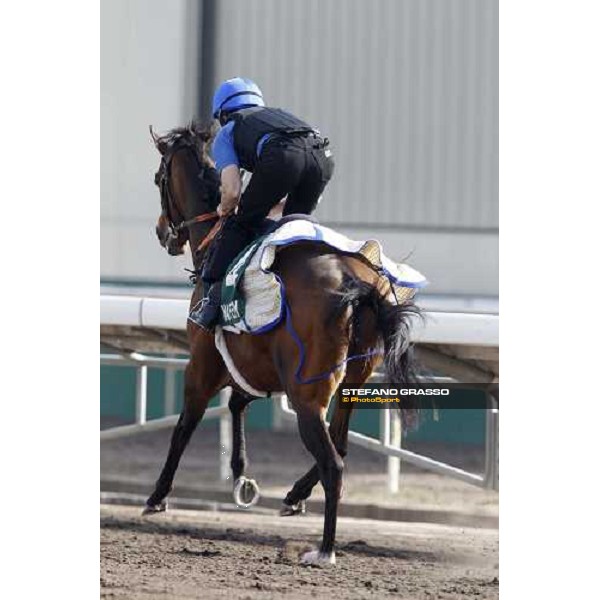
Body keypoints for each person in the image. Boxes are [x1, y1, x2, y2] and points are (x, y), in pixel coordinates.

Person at [191, 77, 335, 332]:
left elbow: (232, 191)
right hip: (321, 157)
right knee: (292, 229)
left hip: (282, 156)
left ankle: (210, 301)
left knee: (240, 224)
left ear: (223, 114)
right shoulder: (277, 116)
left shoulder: (227, 132)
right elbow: (286, 195)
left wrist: (225, 208)